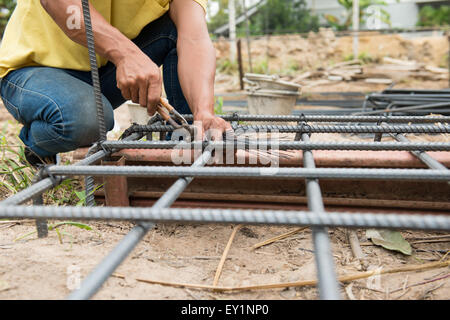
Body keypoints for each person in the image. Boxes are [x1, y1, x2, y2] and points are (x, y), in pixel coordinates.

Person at [0, 0, 231, 166]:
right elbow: (62, 6)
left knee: (173, 29)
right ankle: (37, 146)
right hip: (36, 69)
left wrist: (204, 111)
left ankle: (181, 148)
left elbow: (193, 37)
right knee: (86, 118)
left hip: (102, 69)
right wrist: (125, 54)